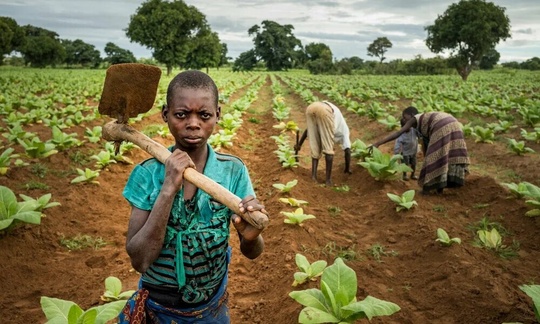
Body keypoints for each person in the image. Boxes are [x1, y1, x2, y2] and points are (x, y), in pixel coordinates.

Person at [119, 70, 267, 323]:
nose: (193, 123)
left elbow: (253, 252)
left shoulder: (232, 170)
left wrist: (251, 237)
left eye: (204, 115)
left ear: (217, 114)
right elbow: (140, 260)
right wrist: (168, 188)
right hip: (157, 309)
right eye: (181, 114)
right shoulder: (147, 174)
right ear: (166, 114)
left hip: (211, 309)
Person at [372, 106, 470, 195]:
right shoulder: (423, 123)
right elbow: (426, 144)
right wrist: (427, 156)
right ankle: (439, 188)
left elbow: (398, 133)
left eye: (405, 117)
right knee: (446, 155)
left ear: (411, 115)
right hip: (454, 123)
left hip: (442, 125)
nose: (404, 120)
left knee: (435, 157)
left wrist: (378, 143)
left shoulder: (414, 119)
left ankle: (427, 189)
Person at [294, 101, 352, 186]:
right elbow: (347, 151)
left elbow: (309, 130)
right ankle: (328, 180)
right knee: (329, 149)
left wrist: (299, 144)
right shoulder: (345, 131)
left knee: (315, 146)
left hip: (311, 107)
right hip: (325, 111)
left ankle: (313, 177)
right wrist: (347, 168)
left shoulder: (339, 123)